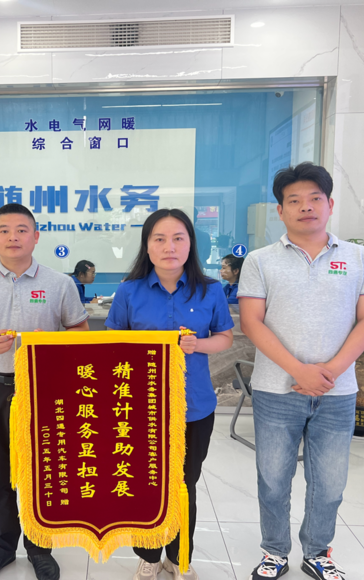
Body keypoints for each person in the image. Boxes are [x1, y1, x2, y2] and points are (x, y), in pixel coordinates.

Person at [238, 163, 364, 580]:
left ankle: (318, 552)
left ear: (330, 204)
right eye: (294, 200)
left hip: (337, 392)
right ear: (280, 210)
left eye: (315, 199)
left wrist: (330, 371)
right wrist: (299, 370)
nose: (306, 207)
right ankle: (274, 551)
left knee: (330, 483)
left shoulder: (360, 258)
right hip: (275, 389)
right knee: (272, 479)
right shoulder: (260, 261)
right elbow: (251, 322)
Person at [0, 203, 90, 580]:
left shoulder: (59, 284)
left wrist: (52, 343)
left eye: (22, 230)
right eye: (4, 230)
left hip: (44, 389)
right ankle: (1, 547)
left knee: (43, 470)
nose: (13, 237)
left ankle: (40, 546)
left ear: (35, 236)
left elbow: (80, 332)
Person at [105, 208, 234, 580]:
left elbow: (225, 337)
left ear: (190, 244)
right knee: (143, 482)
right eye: (159, 239)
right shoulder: (129, 291)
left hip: (194, 406)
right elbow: (113, 341)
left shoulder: (210, 290)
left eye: (178, 238)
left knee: (183, 484)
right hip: (140, 407)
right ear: (147, 246)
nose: (169, 247)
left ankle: (179, 556)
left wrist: (198, 345)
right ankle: (148, 554)